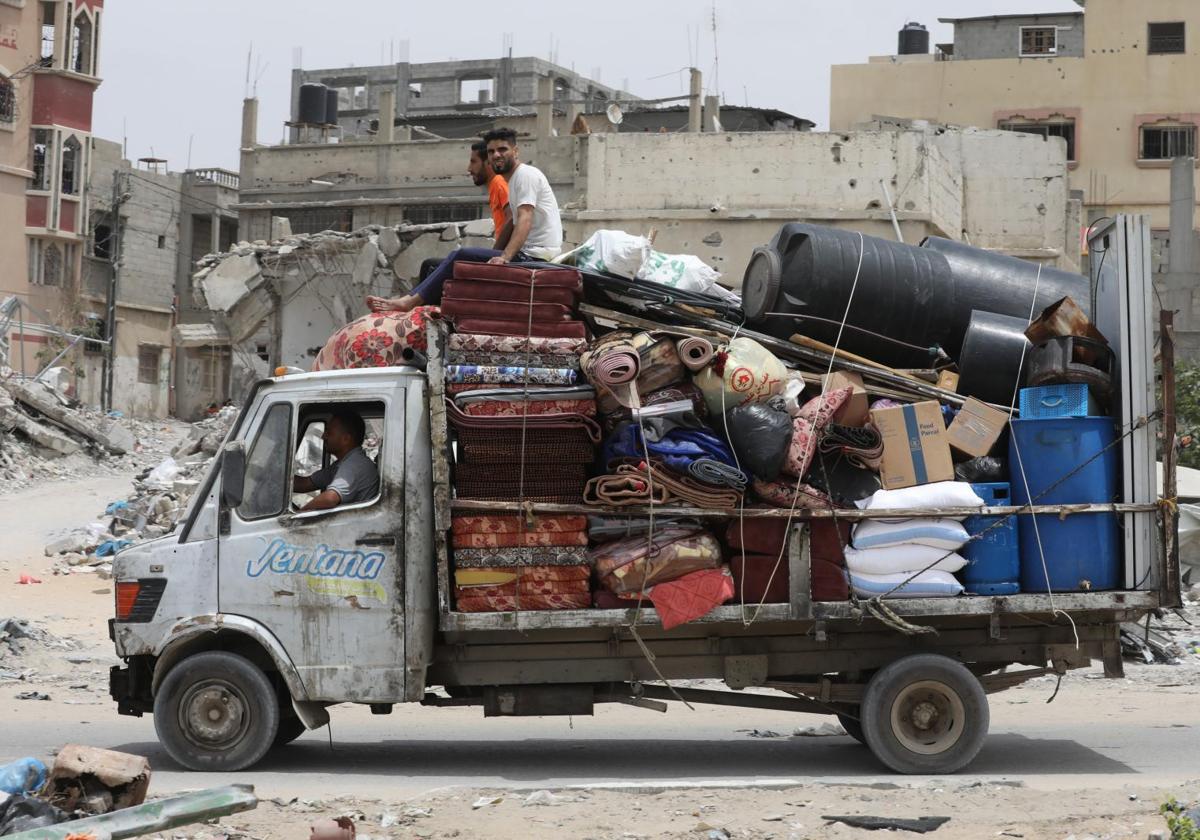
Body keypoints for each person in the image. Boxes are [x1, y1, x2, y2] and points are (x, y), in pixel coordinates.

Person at [365, 127, 562, 313]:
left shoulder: (525, 175)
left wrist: (505, 257)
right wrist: (494, 254)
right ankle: (420, 309)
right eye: (492, 151)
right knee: (434, 265)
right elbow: (511, 223)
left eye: (502, 149)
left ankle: (409, 303)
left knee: (460, 255)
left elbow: (525, 218)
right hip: (525, 254)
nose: (496, 155)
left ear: (516, 151)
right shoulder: (513, 180)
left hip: (534, 256)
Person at [291, 410, 379, 511]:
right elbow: (305, 484)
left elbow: (329, 499)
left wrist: (297, 517)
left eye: (329, 432)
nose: (323, 436)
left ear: (346, 439)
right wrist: (275, 481)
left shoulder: (355, 464)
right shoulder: (342, 463)